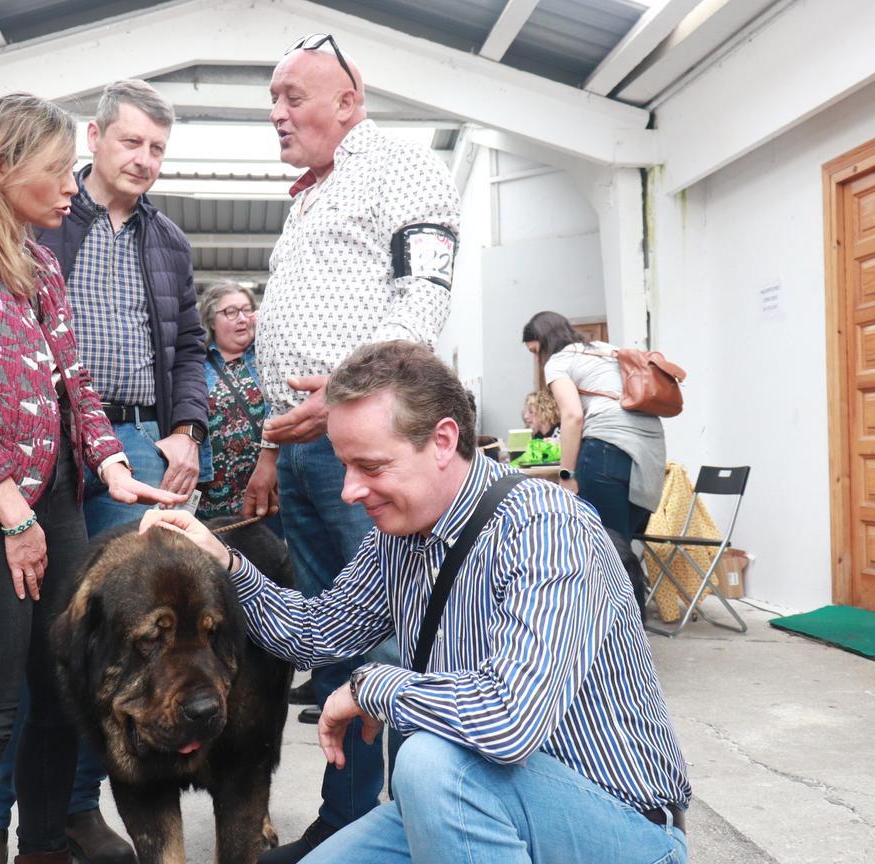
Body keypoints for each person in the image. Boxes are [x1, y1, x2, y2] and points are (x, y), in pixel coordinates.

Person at [145, 340, 690, 864]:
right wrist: (224, 561)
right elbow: (316, 633)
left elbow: (509, 719)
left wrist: (372, 686)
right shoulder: (398, 537)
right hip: (471, 799)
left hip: (619, 829)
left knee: (428, 762)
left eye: (371, 467)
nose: (349, 491)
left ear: (444, 441)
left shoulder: (547, 528)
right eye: (345, 466)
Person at [0, 92, 177, 864]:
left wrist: (114, 465)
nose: (69, 186)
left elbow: (75, 385)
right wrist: (12, 516)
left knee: (60, 693)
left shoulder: (40, 260)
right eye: (55, 172)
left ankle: (45, 848)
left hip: (50, 500)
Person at [244, 34, 461, 861]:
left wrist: (343, 401)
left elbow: (421, 293)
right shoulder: (310, 193)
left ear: (351, 100)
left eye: (294, 96)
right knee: (334, 641)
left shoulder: (399, 166)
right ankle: (346, 818)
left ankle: (408, 824)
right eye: (273, 98)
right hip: (303, 451)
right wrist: (275, 445)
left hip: (367, 450)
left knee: (389, 642)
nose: (277, 113)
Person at [32, 78, 208, 862]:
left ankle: (74, 809)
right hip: (43, 441)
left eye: (158, 149)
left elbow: (190, 350)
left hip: (134, 445)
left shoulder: (168, 241)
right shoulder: (42, 217)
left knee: (110, 635)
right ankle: (20, 813)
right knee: (39, 633)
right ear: (94, 138)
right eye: (132, 142)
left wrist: (185, 430)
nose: (144, 159)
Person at [522, 311, 666, 539]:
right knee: (623, 546)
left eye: (535, 352)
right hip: (649, 454)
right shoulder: (607, 349)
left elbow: (572, 416)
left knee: (606, 549)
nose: (538, 360)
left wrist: (566, 476)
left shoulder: (559, 361)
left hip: (605, 451)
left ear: (545, 342)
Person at [196, 281, 270, 520]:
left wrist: (269, 324)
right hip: (211, 496)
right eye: (230, 312)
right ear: (210, 320)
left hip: (267, 489)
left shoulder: (269, 355)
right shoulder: (196, 365)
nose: (242, 318)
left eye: (247, 310)